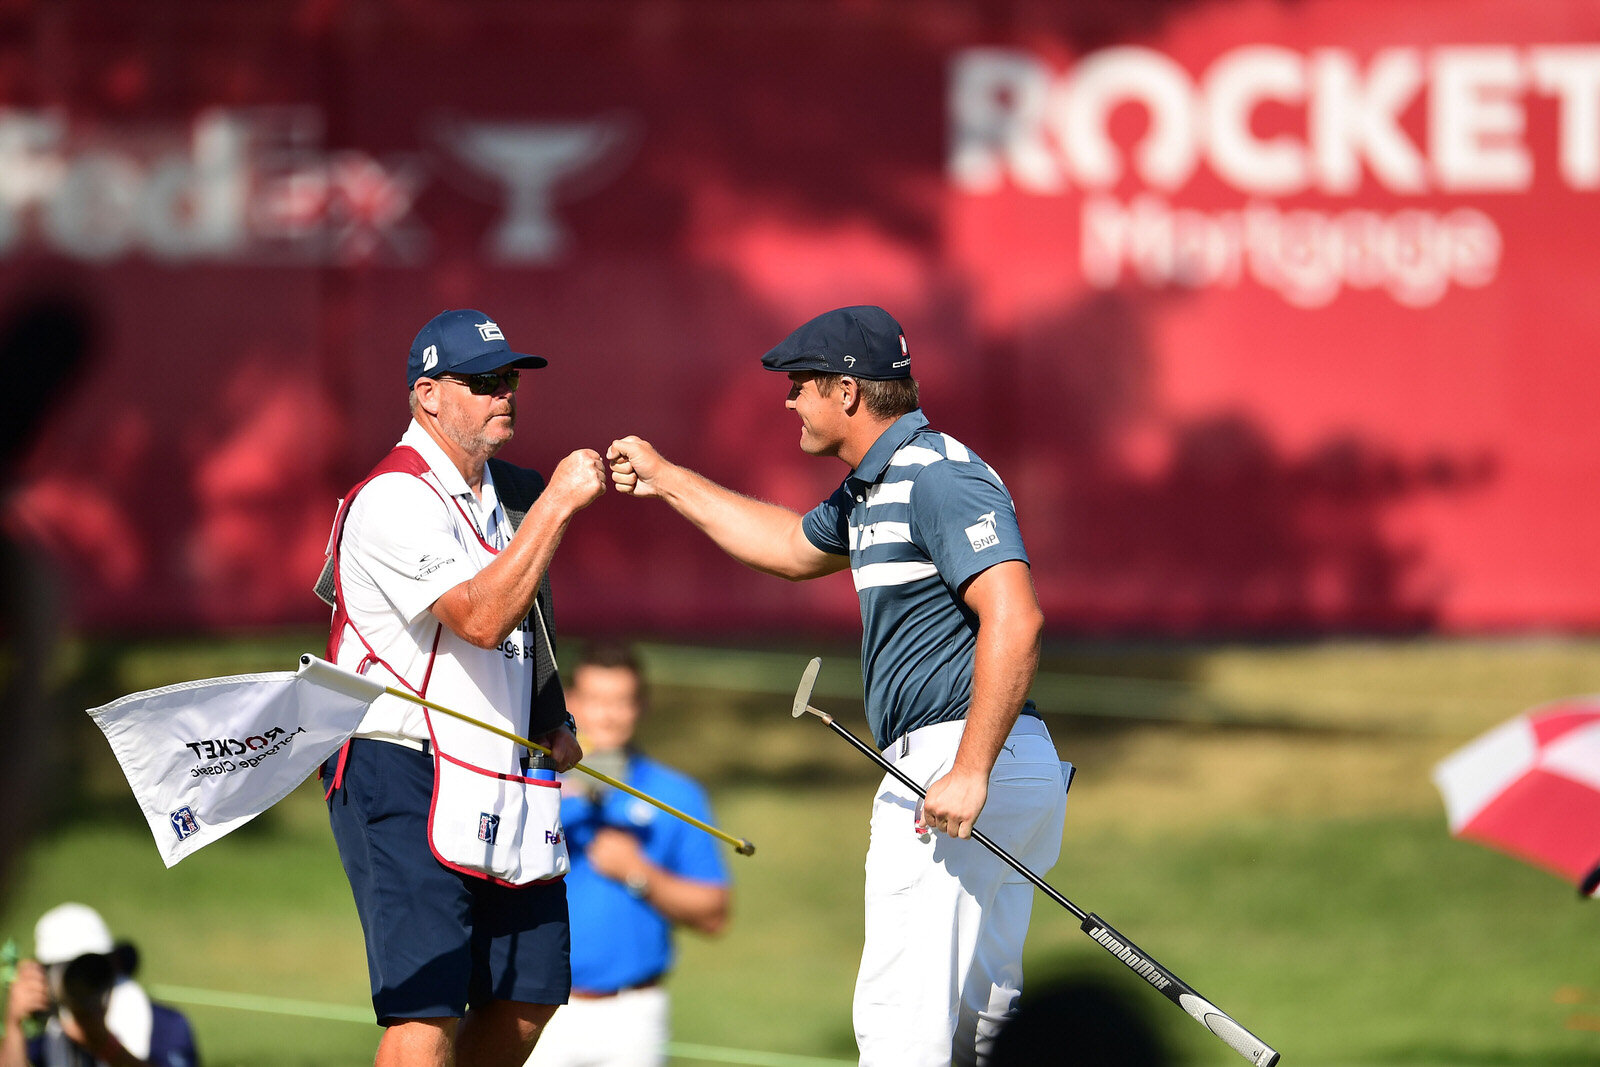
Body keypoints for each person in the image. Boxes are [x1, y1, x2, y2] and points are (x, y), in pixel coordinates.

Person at [606, 305, 1071, 1067]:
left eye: (799, 386)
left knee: (900, 1029)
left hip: (958, 760)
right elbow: (789, 547)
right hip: (994, 762)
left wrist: (969, 769)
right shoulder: (871, 487)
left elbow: (1015, 619)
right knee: (981, 1032)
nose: (788, 402)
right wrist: (667, 479)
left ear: (847, 392)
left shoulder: (938, 475)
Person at [319, 308, 607, 1067]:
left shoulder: (510, 489)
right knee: (428, 1007)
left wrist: (553, 712)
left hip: (502, 763)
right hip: (398, 764)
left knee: (529, 992)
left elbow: (528, 615)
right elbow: (478, 618)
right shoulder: (392, 496)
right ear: (428, 396)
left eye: (508, 379)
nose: (503, 394)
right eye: (482, 382)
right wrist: (557, 505)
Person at [527, 641, 730, 1067]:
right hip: (533, 1005)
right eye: (596, 701)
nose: (608, 715)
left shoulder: (676, 795)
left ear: (641, 706)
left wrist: (639, 873)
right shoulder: (531, 787)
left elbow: (713, 913)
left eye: (621, 701)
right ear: (572, 703)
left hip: (632, 1015)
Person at [1, 902, 199, 1067]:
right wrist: (14, 1026)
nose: (82, 982)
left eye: (92, 968)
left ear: (114, 964)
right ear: (44, 975)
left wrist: (106, 1046)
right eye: (68, 970)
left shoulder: (165, 1024)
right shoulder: (44, 1032)